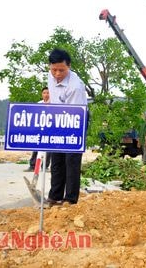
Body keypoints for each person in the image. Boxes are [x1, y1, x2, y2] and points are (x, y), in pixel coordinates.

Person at [46, 49, 87, 206]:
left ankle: (70, 198)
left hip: (76, 118)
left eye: (61, 70)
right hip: (57, 116)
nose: (57, 74)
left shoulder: (75, 86)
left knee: (71, 159)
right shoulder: (51, 76)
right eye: (54, 69)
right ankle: (55, 196)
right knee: (56, 158)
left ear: (68, 67)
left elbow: (73, 115)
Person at [26, 87, 51, 171]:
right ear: (42, 94)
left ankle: (45, 166)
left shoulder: (54, 104)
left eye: (48, 93)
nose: (46, 95)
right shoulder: (39, 104)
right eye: (44, 93)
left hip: (50, 129)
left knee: (49, 149)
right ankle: (32, 166)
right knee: (36, 147)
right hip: (40, 129)